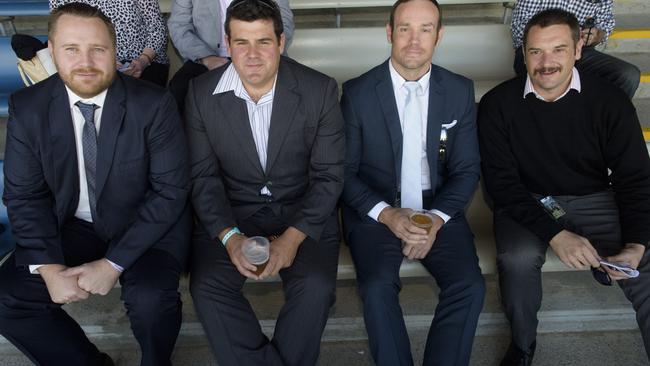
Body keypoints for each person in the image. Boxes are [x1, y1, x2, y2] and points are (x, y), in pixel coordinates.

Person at [0, 3, 192, 366]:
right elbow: (25, 196)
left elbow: (170, 192)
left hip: (146, 227)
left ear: (114, 51)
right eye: (72, 49)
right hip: (74, 226)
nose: (85, 61)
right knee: (7, 297)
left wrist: (112, 264)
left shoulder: (154, 105)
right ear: (52, 52)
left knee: (151, 299)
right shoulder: (29, 107)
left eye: (97, 49)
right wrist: (49, 268)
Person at [479, 8, 650, 366]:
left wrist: (636, 243)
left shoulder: (609, 100)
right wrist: (557, 235)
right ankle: (523, 345)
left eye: (558, 49)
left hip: (594, 196)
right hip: (527, 202)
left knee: (646, 263)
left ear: (577, 51)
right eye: (536, 51)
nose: (546, 62)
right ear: (522, 54)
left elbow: (634, 178)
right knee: (517, 258)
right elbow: (501, 186)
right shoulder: (497, 105)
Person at [185, 0, 344, 365]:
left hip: (302, 214)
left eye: (263, 42)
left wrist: (292, 238)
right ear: (226, 43)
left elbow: (329, 176)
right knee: (207, 287)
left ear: (281, 42)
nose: (252, 55)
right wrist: (230, 237)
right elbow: (202, 177)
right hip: (233, 213)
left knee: (316, 288)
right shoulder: (200, 94)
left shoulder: (319, 90)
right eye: (241, 42)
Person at [340, 0, 486, 364]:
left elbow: (467, 170)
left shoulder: (459, 90)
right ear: (390, 32)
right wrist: (388, 215)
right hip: (377, 207)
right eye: (405, 28)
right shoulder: (357, 93)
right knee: (376, 287)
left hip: (437, 203)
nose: (414, 40)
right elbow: (343, 171)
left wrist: (434, 220)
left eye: (425, 29)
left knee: (469, 286)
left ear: (439, 35)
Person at [167, 0, 294, 113]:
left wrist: (261, 54)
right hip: (206, 57)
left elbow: (285, 25)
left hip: (261, 54)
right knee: (179, 90)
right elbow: (179, 25)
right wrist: (207, 58)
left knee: (298, 86)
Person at [511, 0, 640, 98]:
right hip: (537, 50)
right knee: (554, 79)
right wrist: (557, 38)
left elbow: (606, 24)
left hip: (579, 51)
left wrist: (596, 35)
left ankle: (606, 124)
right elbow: (520, 27)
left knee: (628, 75)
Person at [50, 0, 171, 87]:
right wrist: (107, 63)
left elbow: (157, 27)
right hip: (90, 60)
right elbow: (60, 31)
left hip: (144, 61)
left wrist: (143, 61)